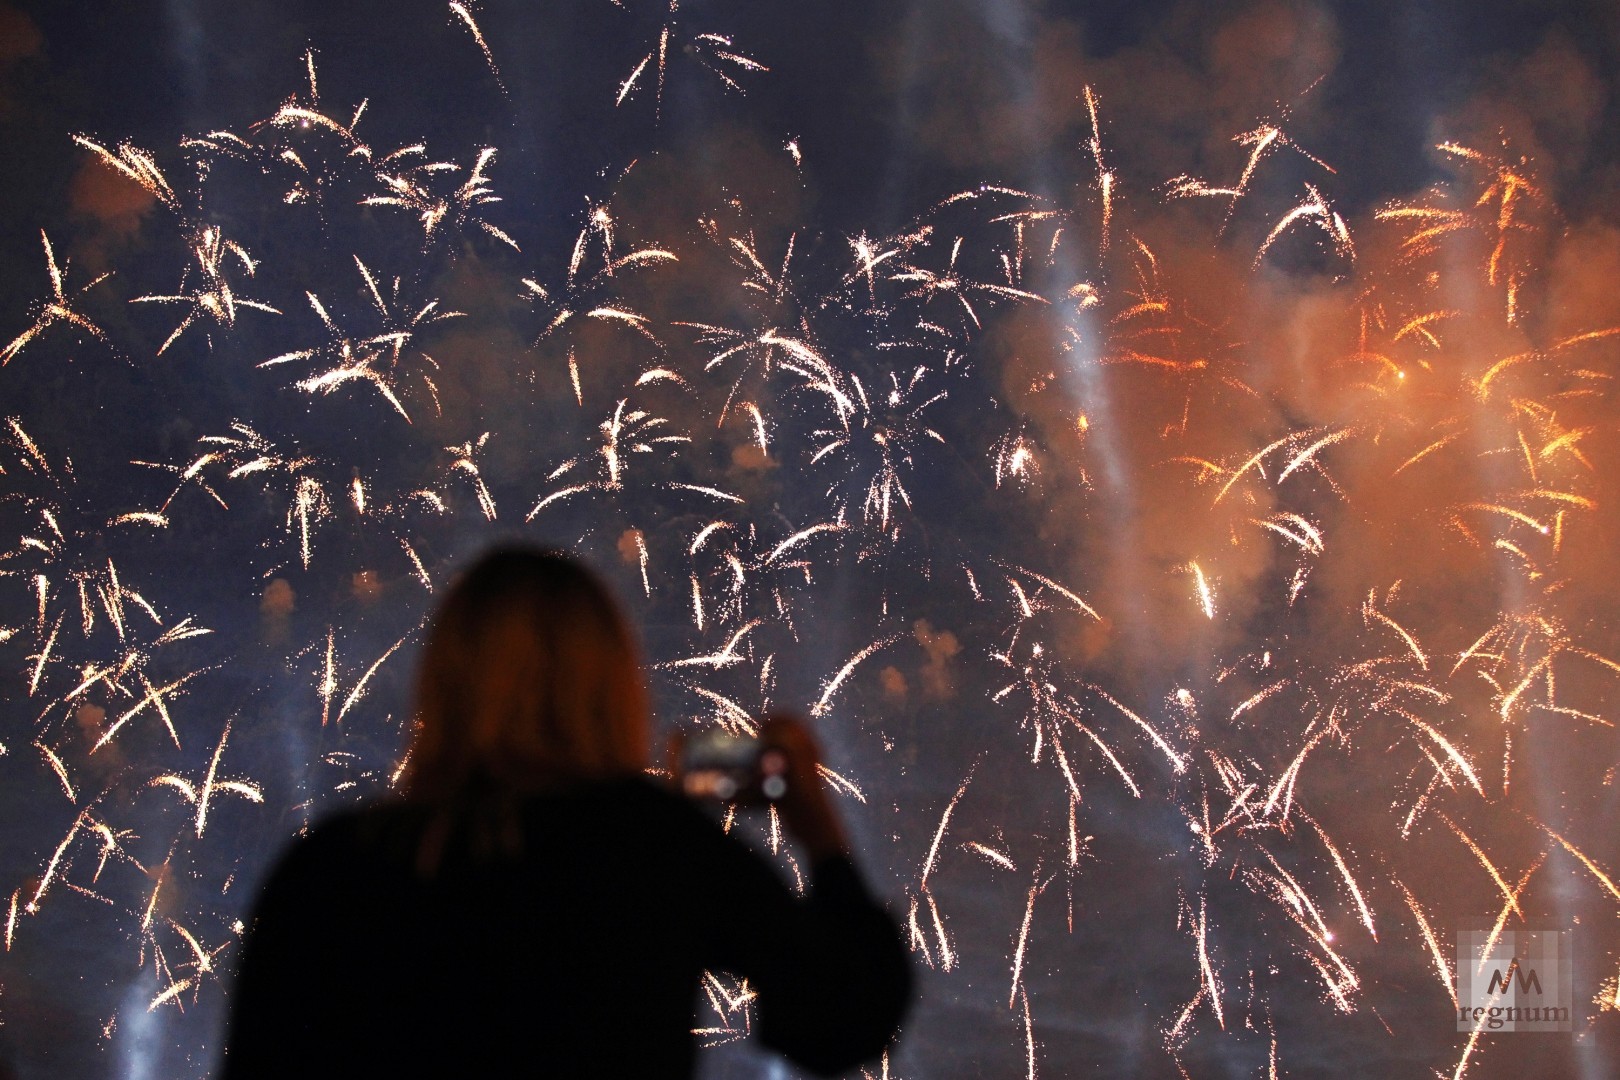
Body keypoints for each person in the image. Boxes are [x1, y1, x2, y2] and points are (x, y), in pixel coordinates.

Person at [222, 547, 910, 1078]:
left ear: (445, 682)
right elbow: (842, 1016)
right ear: (608, 684)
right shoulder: (652, 847)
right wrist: (816, 826)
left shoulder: (331, 868)